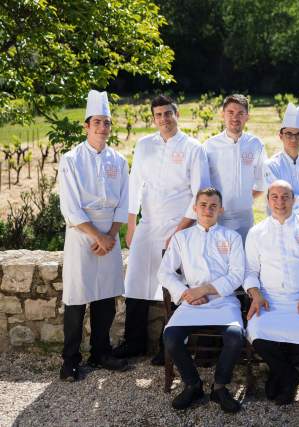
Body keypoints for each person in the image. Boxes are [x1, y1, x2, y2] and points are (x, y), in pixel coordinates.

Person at [114, 95, 210, 363]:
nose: (164, 119)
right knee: (135, 281)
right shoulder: (144, 146)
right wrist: (131, 226)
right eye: (159, 115)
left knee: (174, 284)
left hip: (180, 226)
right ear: (153, 118)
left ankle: (166, 346)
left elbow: (199, 194)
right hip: (148, 224)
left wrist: (179, 230)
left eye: (168, 113)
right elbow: (135, 186)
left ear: (176, 114)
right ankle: (133, 343)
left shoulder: (193, 148)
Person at [58, 90, 129, 381]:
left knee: (105, 298)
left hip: (109, 236)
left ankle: (100, 351)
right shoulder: (71, 160)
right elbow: (71, 207)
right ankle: (70, 359)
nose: (102, 127)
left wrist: (110, 235)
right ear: (86, 126)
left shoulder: (119, 161)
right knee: (76, 299)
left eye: (107, 123)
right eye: (97, 122)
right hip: (81, 236)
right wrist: (98, 237)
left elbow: (124, 203)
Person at [243, 180, 299, 405]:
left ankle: (279, 373)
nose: (280, 202)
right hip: (268, 300)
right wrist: (255, 294)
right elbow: (250, 270)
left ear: (293, 200)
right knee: (258, 336)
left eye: (285, 197)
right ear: (268, 200)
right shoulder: (257, 232)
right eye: (275, 197)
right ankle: (290, 375)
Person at [158, 188, 245, 412]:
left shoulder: (232, 237)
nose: (208, 209)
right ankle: (193, 384)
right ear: (195, 208)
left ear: (220, 209)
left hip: (224, 300)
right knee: (171, 337)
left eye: (213, 205)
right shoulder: (181, 237)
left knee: (235, 338)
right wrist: (186, 293)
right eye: (203, 205)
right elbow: (165, 272)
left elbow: (236, 275)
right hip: (191, 302)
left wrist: (204, 290)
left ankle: (219, 388)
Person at [203, 94, 268, 242]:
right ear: (222, 115)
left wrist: (245, 199)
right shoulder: (209, 146)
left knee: (244, 259)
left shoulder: (255, 144)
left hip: (245, 217)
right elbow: (202, 184)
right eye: (230, 112)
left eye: (240, 113)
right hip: (217, 216)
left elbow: (262, 181)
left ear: (247, 117)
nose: (235, 117)